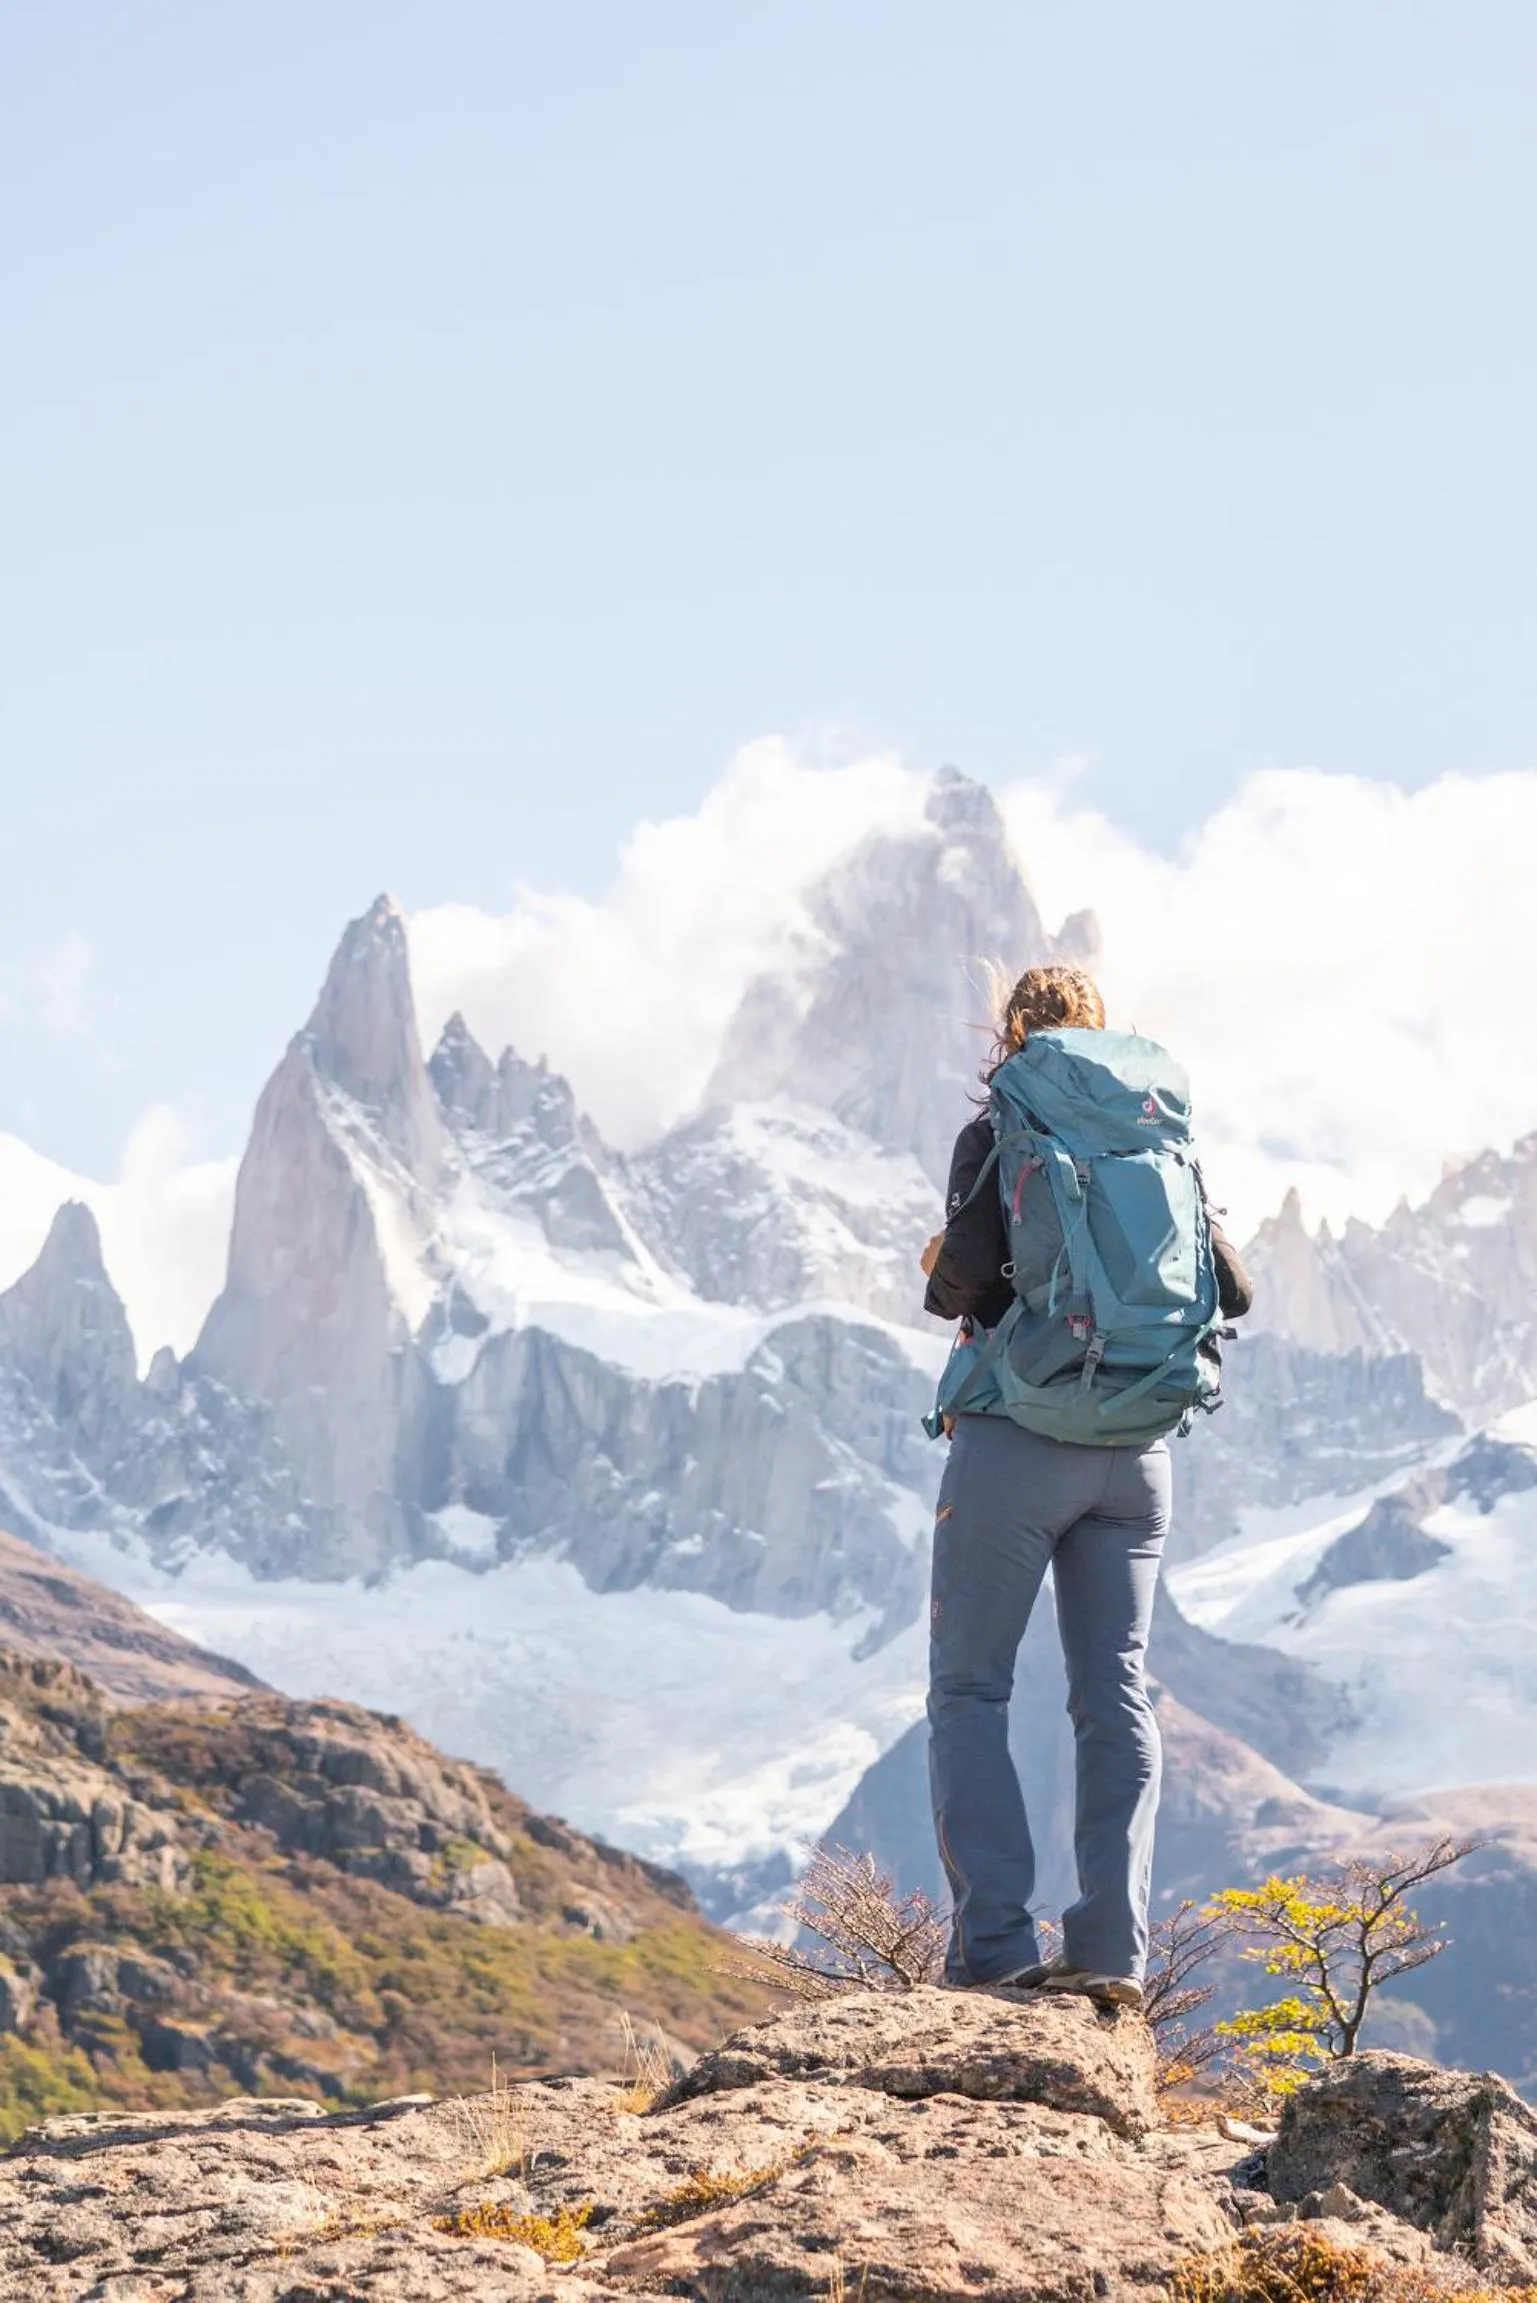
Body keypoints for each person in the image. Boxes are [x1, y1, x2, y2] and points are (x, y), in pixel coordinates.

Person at [919, 963, 1252, 2007]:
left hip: (1019, 1436)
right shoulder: (1154, 1129)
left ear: (1010, 1036)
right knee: (1112, 1690)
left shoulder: (1002, 1129)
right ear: (1104, 1036)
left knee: (970, 1686)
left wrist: (939, 1262)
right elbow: (1231, 1286)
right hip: (1137, 1449)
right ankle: (1111, 1951)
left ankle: (993, 1946)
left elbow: (962, 1283)